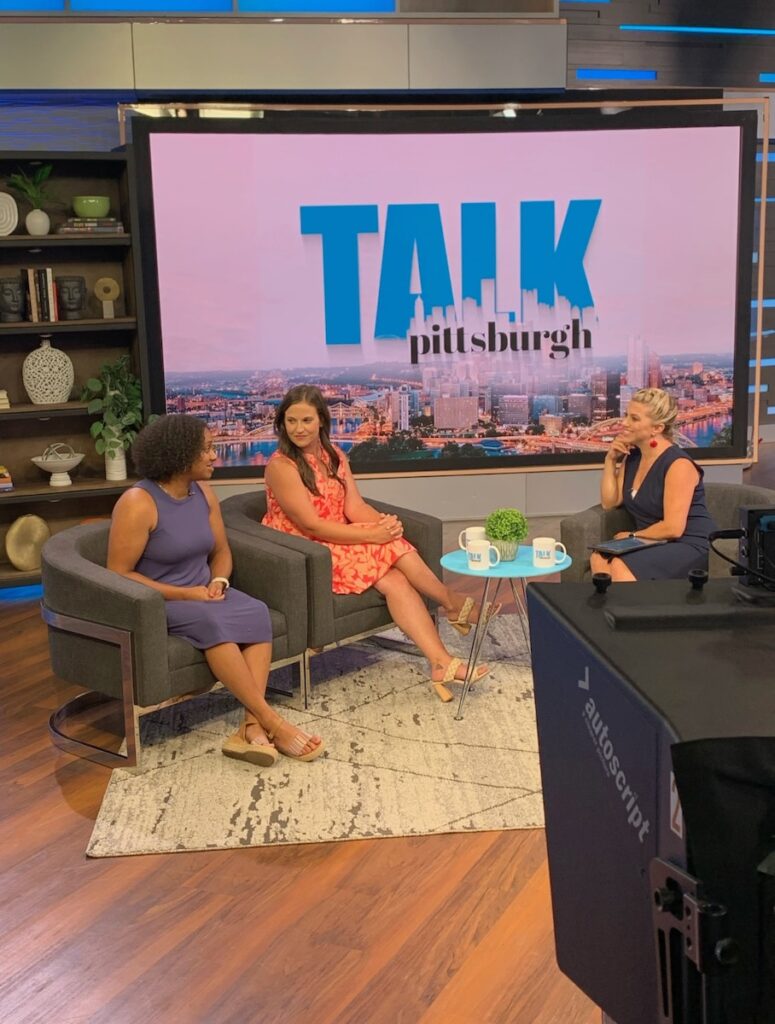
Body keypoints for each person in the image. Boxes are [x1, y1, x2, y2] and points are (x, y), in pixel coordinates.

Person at [108, 414, 323, 765]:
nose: (214, 456)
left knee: (256, 612)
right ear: (179, 456)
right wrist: (185, 594)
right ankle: (273, 721)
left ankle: (249, 729)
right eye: (206, 449)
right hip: (161, 600)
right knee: (214, 626)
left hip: (205, 591)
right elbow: (119, 573)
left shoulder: (203, 492)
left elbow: (221, 551)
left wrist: (218, 581)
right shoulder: (138, 503)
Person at [262, 385, 493, 702]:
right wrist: (372, 535)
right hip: (306, 549)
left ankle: (441, 663)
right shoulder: (281, 466)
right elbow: (310, 524)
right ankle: (451, 603)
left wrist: (382, 522)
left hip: (337, 537)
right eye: (291, 421)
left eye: (306, 421)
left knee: (396, 577)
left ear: (321, 422)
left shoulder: (334, 456)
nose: (298, 429)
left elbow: (354, 508)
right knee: (388, 547)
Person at [590, 387, 716, 582]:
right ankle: (609, 611)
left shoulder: (678, 465)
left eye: (634, 418)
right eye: (626, 416)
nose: (624, 423)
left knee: (618, 564)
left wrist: (632, 536)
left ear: (657, 428)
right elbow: (610, 502)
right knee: (599, 557)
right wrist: (610, 460)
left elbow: (674, 528)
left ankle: (626, 611)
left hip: (689, 544)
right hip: (651, 540)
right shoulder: (633, 457)